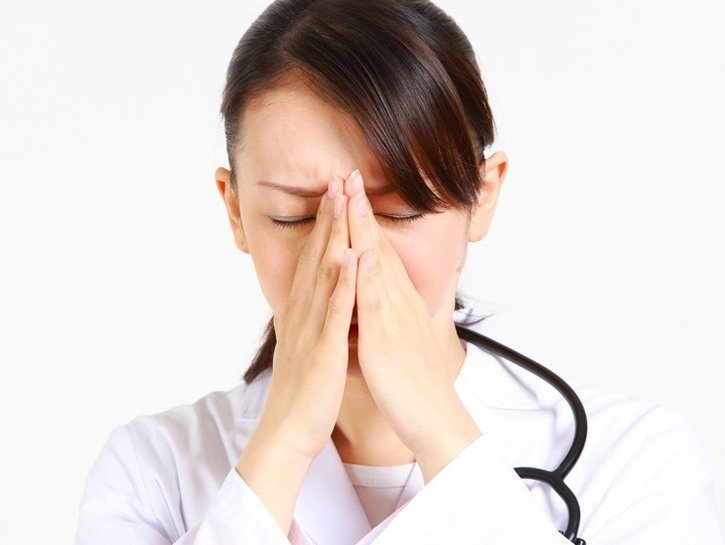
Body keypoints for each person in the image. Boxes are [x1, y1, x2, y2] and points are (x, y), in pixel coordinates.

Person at [74, 0, 724, 543]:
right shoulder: (152, 472)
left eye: (400, 210)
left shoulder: (639, 461)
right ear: (236, 211)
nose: (348, 255)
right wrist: (283, 441)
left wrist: (442, 433)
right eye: (294, 217)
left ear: (481, 197)